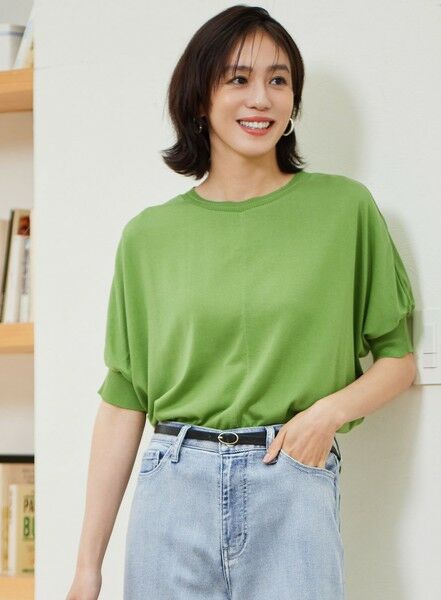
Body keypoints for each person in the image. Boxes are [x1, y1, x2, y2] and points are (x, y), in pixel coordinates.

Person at [66, 5, 417, 600]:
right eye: (238, 79)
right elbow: (123, 400)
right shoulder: (148, 237)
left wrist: (324, 417)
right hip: (172, 490)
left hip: (293, 483)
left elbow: (398, 359)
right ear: (199, 97)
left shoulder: (344, 211)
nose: (261, 98)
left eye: (279, 80)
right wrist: (87, 566)